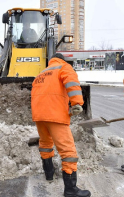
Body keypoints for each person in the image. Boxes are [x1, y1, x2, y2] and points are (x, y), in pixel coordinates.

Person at [31, 53, 91, 197]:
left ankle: (49, 173)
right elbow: (71, 83)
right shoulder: (64, 67)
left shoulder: (41, 74)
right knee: (68, 151)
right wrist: (77, 103)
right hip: (55, 115)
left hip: (39, 116)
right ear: (62, 59)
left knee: (45, 143)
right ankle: (71, 189)